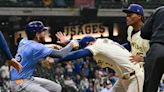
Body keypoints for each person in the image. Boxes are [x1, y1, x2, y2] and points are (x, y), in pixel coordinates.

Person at [55, 34, 144, 92]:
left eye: (86, 48)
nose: (89, 53)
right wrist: (69, 42)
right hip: (124, 77)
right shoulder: (100, 41)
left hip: (134, 76)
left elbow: (78, 54)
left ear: (90, 44)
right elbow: (82, 41)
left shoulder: (95, 46)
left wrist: (56, 58)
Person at [10, 21, 78, 92]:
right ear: (37, 34)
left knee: (57, 88)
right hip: (19, 83)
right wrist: (71, 43)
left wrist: (51, 46)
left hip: (27, 78)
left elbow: (34, 48)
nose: (45, 33)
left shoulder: (23, 41)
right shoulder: (36, 47)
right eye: (42, 31)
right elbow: (60, 54)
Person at [141, 6, 164, 92]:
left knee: (149, 87)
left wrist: (156, 32)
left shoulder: (159, 10)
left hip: (158, 48)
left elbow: (144, 32)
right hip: (158, 47)